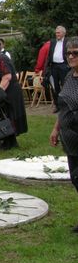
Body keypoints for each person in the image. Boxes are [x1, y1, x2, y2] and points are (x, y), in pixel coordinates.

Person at [49, 36, 78, 232]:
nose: (71, 56)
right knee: (75, 178)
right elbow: (63, 106)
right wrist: (56, 128)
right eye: (69, 53)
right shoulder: (69, 76)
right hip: (69, 137)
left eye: (75, 53)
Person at [0, 38, 28, 150]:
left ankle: (10, 142)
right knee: (4, 116)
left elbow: (7, 76)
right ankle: (8, 141)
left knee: (8, 115)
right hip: (5, 92)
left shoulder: (2, 59)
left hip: (9, 92)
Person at [44, 26, 71, 111]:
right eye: (56, 33)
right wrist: (47, 67)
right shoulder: (53, 42)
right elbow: (49, 55)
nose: (57, 34)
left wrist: (69, 65)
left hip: (64, 66)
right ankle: (57, 105)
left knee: (66, 85)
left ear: (63, 33)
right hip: (54, 67)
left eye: (58, 33)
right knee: (54, 86)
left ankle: (67, 104)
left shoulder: (68, 41)